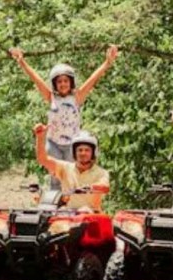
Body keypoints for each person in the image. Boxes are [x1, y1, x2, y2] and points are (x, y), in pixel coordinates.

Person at [10, 45, 119, 189]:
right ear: (55, 84)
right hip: (53, 142)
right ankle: (55, 205)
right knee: (55, 177)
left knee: (72, 177)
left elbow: (93, 79)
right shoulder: (51, 97)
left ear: (71, 82)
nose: (63, 84)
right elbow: (36, 79)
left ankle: (73, 205)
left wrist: (107, 62)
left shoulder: (77, 97)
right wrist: (22, 62)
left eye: (66, 81)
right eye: (59, 81)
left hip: (71, 145)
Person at [33, 123, 109, 211]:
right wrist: (40, 137)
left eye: (87, 150)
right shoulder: (66, 168)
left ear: (93, 153)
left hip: (92, 214)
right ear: (74, 152)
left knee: (84, 210)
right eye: (80, 150)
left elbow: (105, 187)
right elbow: (43, 159)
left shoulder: (101, 172)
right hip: (68, 214)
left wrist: (91, 187)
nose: (83, 153)